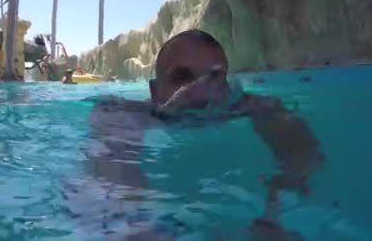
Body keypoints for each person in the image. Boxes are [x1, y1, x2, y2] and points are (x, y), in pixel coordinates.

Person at [84, 29, 324, 239]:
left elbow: (302, 154)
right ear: (155, 92)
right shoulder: (124, 113)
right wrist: (139, 223)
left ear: (227, 85)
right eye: (182, 77)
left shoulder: (244, 106)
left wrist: (275, 211)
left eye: (213, 77)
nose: (199, 92)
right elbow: (113, 181)